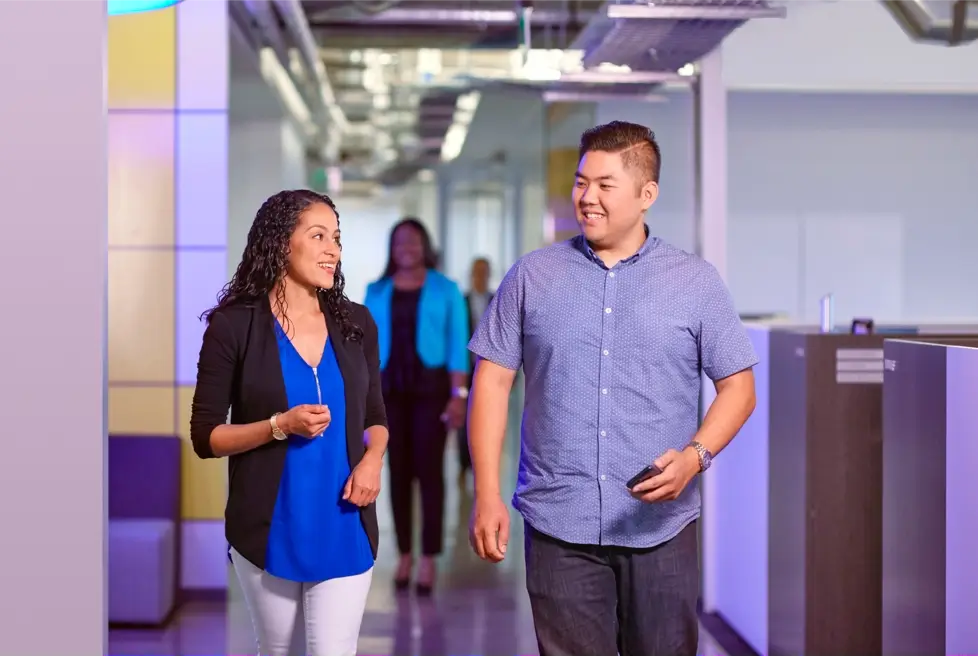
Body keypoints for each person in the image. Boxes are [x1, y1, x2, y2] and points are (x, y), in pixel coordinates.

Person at [466, 121, 758, 656]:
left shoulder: (695, 282)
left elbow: (738, 387)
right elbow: (492, 382)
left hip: (660, 527)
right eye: (581, 182)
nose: (587, 198)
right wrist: (486, 492)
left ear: (647, 194)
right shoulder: (532, 276)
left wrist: (695, 457)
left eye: (604, 184)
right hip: (559, 524)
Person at [189, 189, 388, 656]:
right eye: (317, 236)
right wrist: (279, 425)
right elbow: (206, 436)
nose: (332, 250)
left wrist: (373, 459)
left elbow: (376, 416)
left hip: (346, 518)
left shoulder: (356, 323)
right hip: (270, 523)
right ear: (281, 243)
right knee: (276, 651)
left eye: (336, 238)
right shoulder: (234, 326)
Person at [364, 218, 469, 595]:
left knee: (430, 475)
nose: (407, 247)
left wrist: (458, 399)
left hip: (431, 391)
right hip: (389, 391)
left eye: (414, 241)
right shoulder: (375, 291)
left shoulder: (447, 290)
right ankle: (405, 553)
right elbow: (364, 349)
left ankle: (428, 558)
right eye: (399, 242)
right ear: (392, 249)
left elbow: (459, 348)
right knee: (397, 473)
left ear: (426, 246)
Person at [457, 256, 494, 482]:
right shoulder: (461, 301)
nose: (480, 275)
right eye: (477, 271)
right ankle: (464, 464)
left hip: (490, 372)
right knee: (465, 421)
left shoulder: (496, 300)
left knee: (488, 419)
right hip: (465, 371)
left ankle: (484, 466)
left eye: (484, 271)